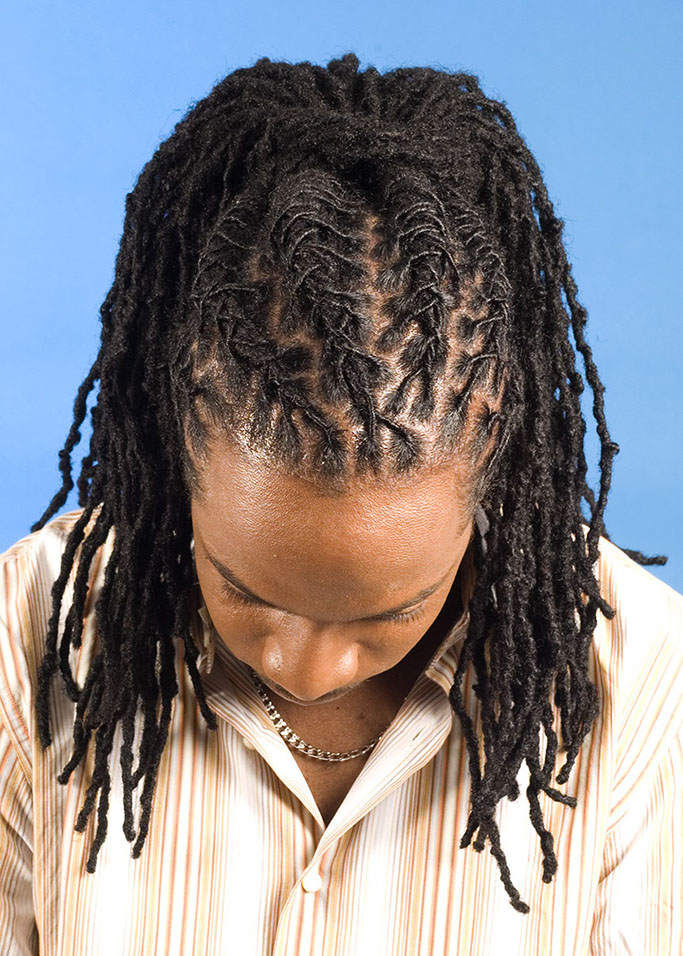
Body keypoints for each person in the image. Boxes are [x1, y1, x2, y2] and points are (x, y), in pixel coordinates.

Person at [0, 52, 680, 955]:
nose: (308, 671)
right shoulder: (29, 631)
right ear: (178, 431)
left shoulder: (642, 677)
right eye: (244, 590)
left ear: (494, 454)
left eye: (388, 614)